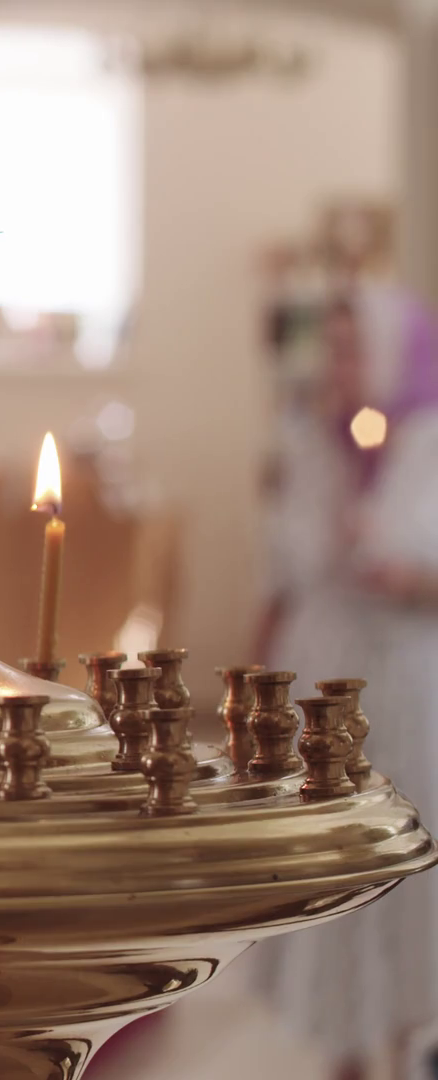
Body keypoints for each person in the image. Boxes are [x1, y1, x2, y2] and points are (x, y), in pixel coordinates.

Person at [256, 283, 438, 1080]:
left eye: (354, 346)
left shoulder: (430, 437)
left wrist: (411, 575)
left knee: (406, 849)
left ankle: (409, 1031)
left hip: (411, 673)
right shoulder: (310, 435)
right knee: (335, 852)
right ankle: (345, 1040)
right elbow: (287, 559)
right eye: (332, 348)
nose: (340, 364)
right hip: (330, 663)